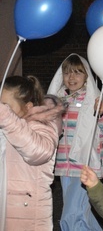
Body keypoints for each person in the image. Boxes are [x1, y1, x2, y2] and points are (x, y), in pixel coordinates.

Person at [47, 53, 103, 230]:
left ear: (86, 75)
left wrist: (101, 113)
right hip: (64, 168)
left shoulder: (94, 100)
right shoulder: (58, 102)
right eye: (67, 73)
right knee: (80, 212)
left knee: (72, 214)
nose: (71, 77)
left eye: (77, 72)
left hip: (84, 167)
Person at [0, 75, 64, 230]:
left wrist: (5, 116)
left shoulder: (42, 123)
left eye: (6, 105)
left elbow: (40, 152)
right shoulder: (8, 125)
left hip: (27, 215)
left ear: (28, 107)